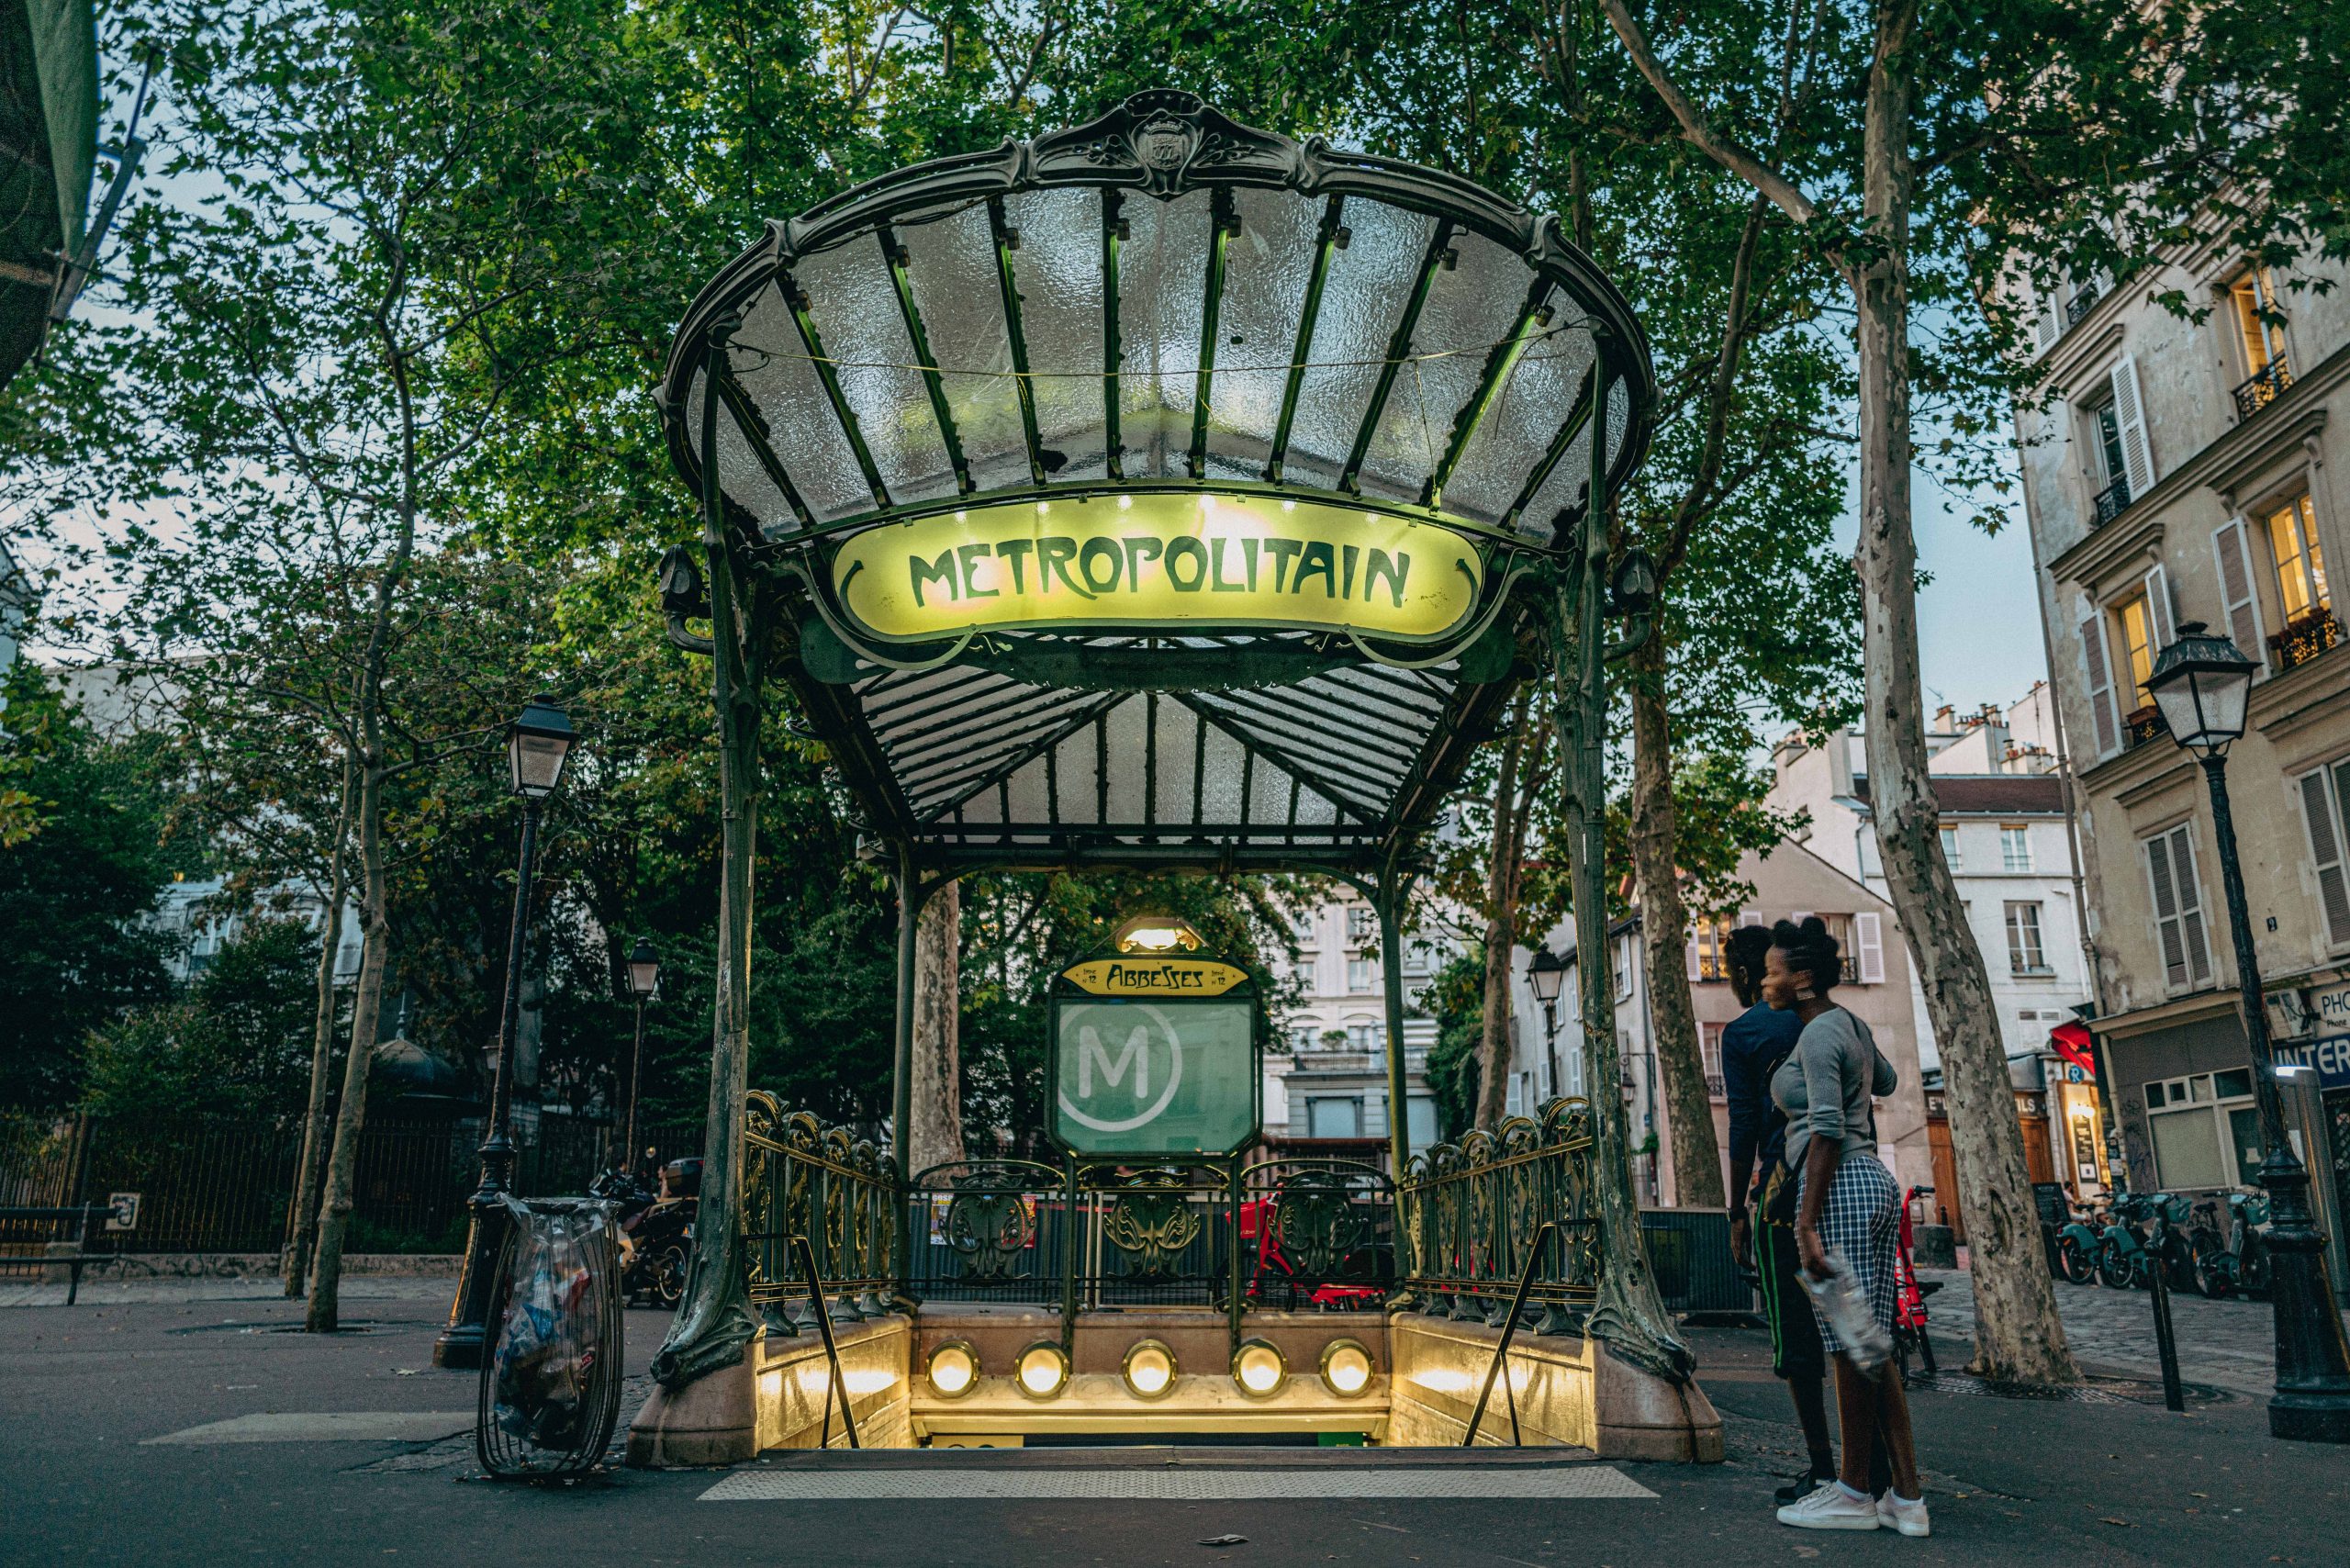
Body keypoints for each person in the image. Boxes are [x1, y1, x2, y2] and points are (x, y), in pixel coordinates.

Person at [1763, 916, 1929, 1537]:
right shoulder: (1848, 1024)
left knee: (1850, 1349)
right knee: (1869, 1344)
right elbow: (1883, 1080)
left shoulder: (1818, 1034)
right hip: (1871, 1184)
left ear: (1802, 979)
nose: (1765, 979)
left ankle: (1856, 1491)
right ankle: (1903, 1498)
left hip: (1839, 1189)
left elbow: (1829, 1128)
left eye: (1775, 971)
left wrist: (1806, 1226)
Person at [1720, 924, 1888, 1505]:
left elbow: (1744, 1125)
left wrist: (1737, 1208)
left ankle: (1826, 1469)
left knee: (1799, 1342)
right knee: (1860, 1328)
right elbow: (1879, 1079)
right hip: (1859, 1179)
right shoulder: (1833, 1019)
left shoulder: (1744, 1033)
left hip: (1786, 1191)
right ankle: (1878, 1469)